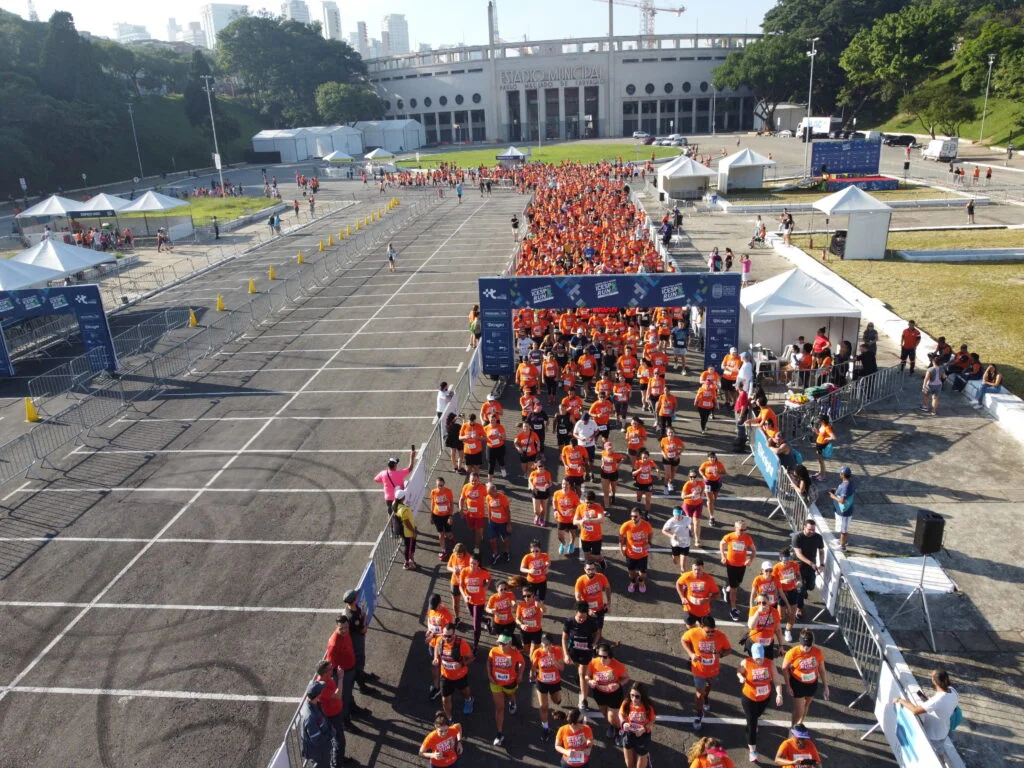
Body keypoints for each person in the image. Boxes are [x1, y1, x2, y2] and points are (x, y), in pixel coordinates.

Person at [892, 667, 960, 758]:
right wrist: (930, 703)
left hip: (932, 734)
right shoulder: (953, 691)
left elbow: (915, 710)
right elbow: (945, 705)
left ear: (935, 682)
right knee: (940, 753)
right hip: (944, 731)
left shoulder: (937, 700)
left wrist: (900, 700)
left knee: (928, 757)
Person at [682, 615, 732, 731]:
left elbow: (729, 650)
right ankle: (699, 714)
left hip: (713, 669)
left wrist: (720, 655)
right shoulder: (694, 632)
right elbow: (683, 640)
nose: (711, 634)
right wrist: (691, 654)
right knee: (699, 693)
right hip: (698, 670)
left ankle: (706, 697)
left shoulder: (720, 636)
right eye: (708, 632)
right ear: (701, 627)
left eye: (713, 631)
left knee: (709, 686)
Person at [738, 642, 784, 763]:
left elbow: (777, 681)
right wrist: (741, 677)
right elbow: (739, 670)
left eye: (761, 657)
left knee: (756, 716)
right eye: (757, 658)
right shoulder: (746, 662)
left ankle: (752, 721)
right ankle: (752, 750)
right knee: (752, 725)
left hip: (764, 698)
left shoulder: (770, 664)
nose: (759, 660)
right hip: (749, 698)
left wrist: (779, 694)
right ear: (753, 656)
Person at [325, 615, 371, 729]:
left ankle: (352, 708)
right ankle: (345, 721)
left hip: (350, 669)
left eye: (346, 627)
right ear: (336, 627)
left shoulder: (347, 633)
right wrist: (338, 680)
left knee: (349, 694)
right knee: (344, 699)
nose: (344, 630)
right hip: (343, 674)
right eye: (341, 628)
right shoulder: (333, 643)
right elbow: (330, 666)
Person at [782, 630, 830, 726]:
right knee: (799, 710)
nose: (806, 648)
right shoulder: (792, 653)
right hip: (797, 684)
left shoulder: (818, 652)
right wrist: (788, 686)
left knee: (806, 705)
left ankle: (800, 724)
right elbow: (784, 669)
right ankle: (793, 728)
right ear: (800, 642)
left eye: (808, 645)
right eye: (804, 645)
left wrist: (826, 687)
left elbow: (822, 670)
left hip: (812, 684)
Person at [586, 641, 630, 740]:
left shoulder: (618, 665)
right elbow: (587, 676)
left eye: (605, 657)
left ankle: (621, 730)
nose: (602, 659)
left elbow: (626, 678)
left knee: (612, 716)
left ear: (610, 656)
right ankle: (613, 725)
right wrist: (590, 681)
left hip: (614, 694)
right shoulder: (593, 662)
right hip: (599, 693)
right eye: (600, 656)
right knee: (605, 713)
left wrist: (618, 684)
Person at [314, 660, 354, 766]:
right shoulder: (321, 687)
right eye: (331, 668)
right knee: (339, 741)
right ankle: (336, 764)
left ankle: (339, 758)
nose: (333, 669)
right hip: (332, 717)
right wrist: (341, 678)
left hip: (336, 713)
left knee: (338, 741)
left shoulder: (327, 679)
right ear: (325, 673)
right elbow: (338, 695)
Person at [563, 601, 602, 710]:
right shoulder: (569, 622)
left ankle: (584, 700)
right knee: (579, 669)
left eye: (584, 617)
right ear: (576, 612)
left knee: (582, 673)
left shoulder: (591, 622)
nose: (581, 619)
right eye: (580, 617)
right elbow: (564, 638)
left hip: (586, 653)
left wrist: (595, 642)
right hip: (574, 651)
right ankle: (583, 678)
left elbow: (597, 633)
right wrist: (566, 654)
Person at [488, 634, 525, 746]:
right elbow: (489, 663)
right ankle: (499, 734)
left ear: (509, 644)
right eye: (499, 643)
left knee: (510, 696)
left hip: (510, 683)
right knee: (499, 708)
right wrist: (489, 675)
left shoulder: (515, 653)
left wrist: (520, 675)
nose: (501, 645)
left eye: (503, 643)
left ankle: (512, 702)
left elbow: (522, 663)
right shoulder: (494, 651)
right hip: (496, 683)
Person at [433, 623, 476, 720]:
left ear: (454, 635)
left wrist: (461, 664)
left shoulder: (461, 644)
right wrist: (436, 658)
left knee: (465, 691)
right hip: (445, 676)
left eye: (449, 636)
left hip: (460, 676)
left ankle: (469, 700)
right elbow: (436, 646)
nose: (446, 638)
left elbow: (472, 658)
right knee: (445, 698)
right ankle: (449, 718)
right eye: (444, 635)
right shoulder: (440, 640)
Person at [531, 632, 566, 740]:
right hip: (542, 682)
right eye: (543, 644)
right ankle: (545, 728)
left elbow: (562, 668)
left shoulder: (557, 650)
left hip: (554, 682)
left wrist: (554, 660)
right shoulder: (537, 652)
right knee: (544, 707)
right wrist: (531, 676)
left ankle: (558, 699)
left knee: (556, 700)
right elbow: (533, 667)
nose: (545, 646)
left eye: (547, 644)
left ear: (551, 644)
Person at [720, 520, 757, 621]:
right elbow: (722, 543)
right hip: (731, 565)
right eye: (741, 530)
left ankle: (726, 589)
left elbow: (754, 550)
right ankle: (733, 609)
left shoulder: (747, 538)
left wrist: (750, 559)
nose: (743, 531)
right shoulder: (730, 536)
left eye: (745, 529)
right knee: (734, 588)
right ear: (735, 528)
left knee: (738, 583)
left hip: (742, 565)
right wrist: (723, 556)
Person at [342, 589, 377, 695]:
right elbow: (362, 629)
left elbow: (361, 613)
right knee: (359, 662)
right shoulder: (352, 616)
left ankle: (362, 675)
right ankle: (362, 686)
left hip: (357, 639)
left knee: (361, 661)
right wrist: (366, 623)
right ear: (354, 599)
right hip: (356, 641)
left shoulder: (352, 608)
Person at [458, 551, 491, 652]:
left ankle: (475, 646)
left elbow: (489, 578)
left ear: (478, 564)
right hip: (469, 600)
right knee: (474, 616)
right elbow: (461, 586)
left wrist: (485, 587)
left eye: (474, 564)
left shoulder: (483, 572)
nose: (472, 565)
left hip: (479, 601)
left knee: (476, 626)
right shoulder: (465, 571)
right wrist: (464, 596)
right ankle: (487, 621)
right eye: (471, 563)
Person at [618, 681, 656, 767]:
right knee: (629, 765)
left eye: (637, 696)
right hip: (629, 734)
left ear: (642, 696)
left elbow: (653, 719)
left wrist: (644, 729)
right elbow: (620, 714)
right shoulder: (627, 703)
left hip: (643, 736)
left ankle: (646, 757)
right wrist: (623, 723)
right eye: (632, 695)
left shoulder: (648, 707)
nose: (634, 699)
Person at [791, 520, 825, 615]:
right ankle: (799, 608)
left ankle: (805, 589)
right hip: (799, 565)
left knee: (811, 586)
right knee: (800, 589)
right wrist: (811, 563)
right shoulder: (797, 537)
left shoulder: (818, 537)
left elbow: (821, 551)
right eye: (810, 529)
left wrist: (822, 564)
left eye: (813, 530)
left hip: (811, 566)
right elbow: (799, 554)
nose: (812, 532)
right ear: (804, 527)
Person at [619, 506, 653, 594]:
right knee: (631, 572)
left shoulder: (646, 525)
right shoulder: (626, 525)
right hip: (630, 554)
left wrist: (649, 543)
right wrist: (621, 548)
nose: (633, 518)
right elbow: (621, 537)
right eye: (632, 516)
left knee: (643, 573)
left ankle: (641, 582)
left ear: (640, 516)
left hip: (643, 554)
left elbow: (650, 533)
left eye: (635, 516)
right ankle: (633, 582)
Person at [301, 680, 335, 767]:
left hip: (321, 748)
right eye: (321, 691)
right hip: (319, 751)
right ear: (318, 695)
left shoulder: (313, 704)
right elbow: (317, 740)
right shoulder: (310, 718)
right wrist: (330, 735)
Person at [373, 449, 417, 515]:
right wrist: (412, 457)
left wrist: (385, 481)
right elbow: (410, 468)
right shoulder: (399, 474)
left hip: (388, 499)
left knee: (391, 514)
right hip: (399, 498)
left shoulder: (383, 473)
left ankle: (391, 524)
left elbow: (376, 479)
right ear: (395, 466)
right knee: (400, 513)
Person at [773, 548, 802, 643]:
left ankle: (788, 631)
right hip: (781, 592)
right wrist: (782, 581)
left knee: (792, 614)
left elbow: (798, 575)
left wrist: (799, 581)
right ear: (780, 559)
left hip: (792, 591)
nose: (786, 562)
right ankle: (775, 627)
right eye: (784, 560)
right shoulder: (776, 567)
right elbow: (773, 581)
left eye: (788, 560)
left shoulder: (794, 565)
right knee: (781, 617)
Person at [829, 466, 856, 551]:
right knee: (842, 528)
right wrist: (837, 490)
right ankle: (842, 541)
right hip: (843, 511)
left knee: (844, 530)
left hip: (844, 512)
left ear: (843, 475)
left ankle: (842, 546)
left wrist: (833, 496)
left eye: (840, 473)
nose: (839, 474)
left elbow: (842, 500)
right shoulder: (848, 483)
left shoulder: (846, 486)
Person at [662, 505, 693, 573]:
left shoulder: (687, 519)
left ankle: (683, 579)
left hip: (685, 544)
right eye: (676, 516)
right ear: (673, 514)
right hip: (675, 544)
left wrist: (691, 528)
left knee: (683, 565)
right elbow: (663, 530)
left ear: (681, 514)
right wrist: (671, 536)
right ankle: (675, 558)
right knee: (676, 561)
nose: (677, 517)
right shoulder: (670, 522)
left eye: (679, 515)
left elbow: (690, 523)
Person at [446, 543, 471, 626]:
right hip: (455, 582)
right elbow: (448, 567)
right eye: (457, 554)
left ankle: (471, 609)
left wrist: (463, 570)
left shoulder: (469, 558)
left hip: (466, 583)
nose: (459, 556)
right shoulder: (453, 555)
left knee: (468, 599)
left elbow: (472, 571)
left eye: (460, 554)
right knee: (455, 601)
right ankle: (457, 617)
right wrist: (453, 570)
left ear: (464, 553)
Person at [393, 488, 418, 570]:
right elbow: (407, 523)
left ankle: (410, 561)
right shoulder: (404, 510)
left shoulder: (395, 504)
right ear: (403, 498)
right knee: (409, 546)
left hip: (402, 530)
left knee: (408, 546)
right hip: (407, 531)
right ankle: (407, 563)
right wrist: (413, 531)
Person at [699, 451, 727, 523]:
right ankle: (711, 517)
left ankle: (710, 503)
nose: (712, 459)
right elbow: (700, 470)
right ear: (708, 458)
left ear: (715, 457)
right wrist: (703, 476)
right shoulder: (705, 464)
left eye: (713, 457)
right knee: (710, 501)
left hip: (717, 482)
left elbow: (725, 474)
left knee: (715, 498)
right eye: (711, 457)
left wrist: (718, 474)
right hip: (707, 483)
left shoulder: (719, 464)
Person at [813, 414, 834, 480]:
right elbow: (822, 434)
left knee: (821, 461)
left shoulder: (827, 427)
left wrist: (826, 439)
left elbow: (833, 437)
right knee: (819, 461)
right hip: (819, 444)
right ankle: (820, 472)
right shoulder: (823, 425)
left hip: (822, 445)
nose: (818, 422)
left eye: (820, 420)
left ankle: (822, 475)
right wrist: (817, 432)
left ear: (823, 421)